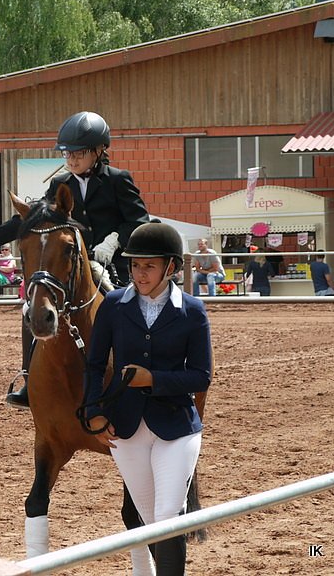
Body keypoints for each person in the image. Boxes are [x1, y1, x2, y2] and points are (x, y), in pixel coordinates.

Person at [0, 111, 150, 408]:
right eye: (67, 153)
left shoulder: (118, 180)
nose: (71, 160)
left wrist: (114, 240)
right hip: (71, 266)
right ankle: (30, 380)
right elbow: (32, 219)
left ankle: (138, 378)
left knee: (129, 308)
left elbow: (139, 219)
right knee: (30, 310)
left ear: (99, 151)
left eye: (79, 153)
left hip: (110, 263)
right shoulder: (61, 183)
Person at [82, 222, 212, 575]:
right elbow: (94, 365)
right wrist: (92, 412)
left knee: (169, 514)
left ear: (170, 267)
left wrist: (153, 379)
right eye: (135, 265)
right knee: (148, 515)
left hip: (176, 425)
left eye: (149, 266)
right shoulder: (112, 305)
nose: (140, 274)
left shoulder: (192, 310)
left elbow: (202, 376)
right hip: (126, 429)